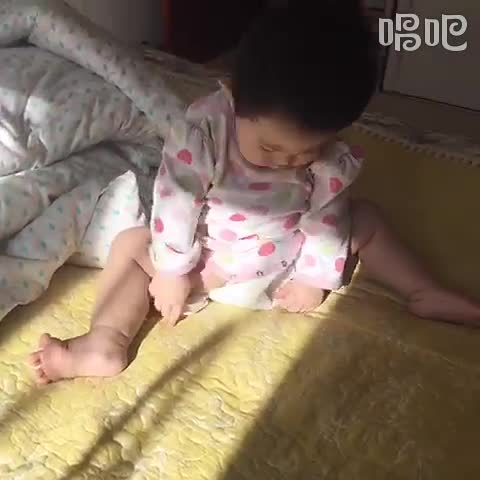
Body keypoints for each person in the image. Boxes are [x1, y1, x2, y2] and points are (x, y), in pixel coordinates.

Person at [30, 3, 480, 384]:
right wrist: (177, 272)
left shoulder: (217, 135)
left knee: (131, 243)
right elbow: (183, 200)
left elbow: (318, 213)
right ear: (234, 95)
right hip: (243, 271)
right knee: (365, 221)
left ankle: (423, 290)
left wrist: (311, 278)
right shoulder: (206, 133)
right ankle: (106, 344)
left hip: (246, 274)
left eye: (308, 150)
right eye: (271, 147)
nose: (289, 161)